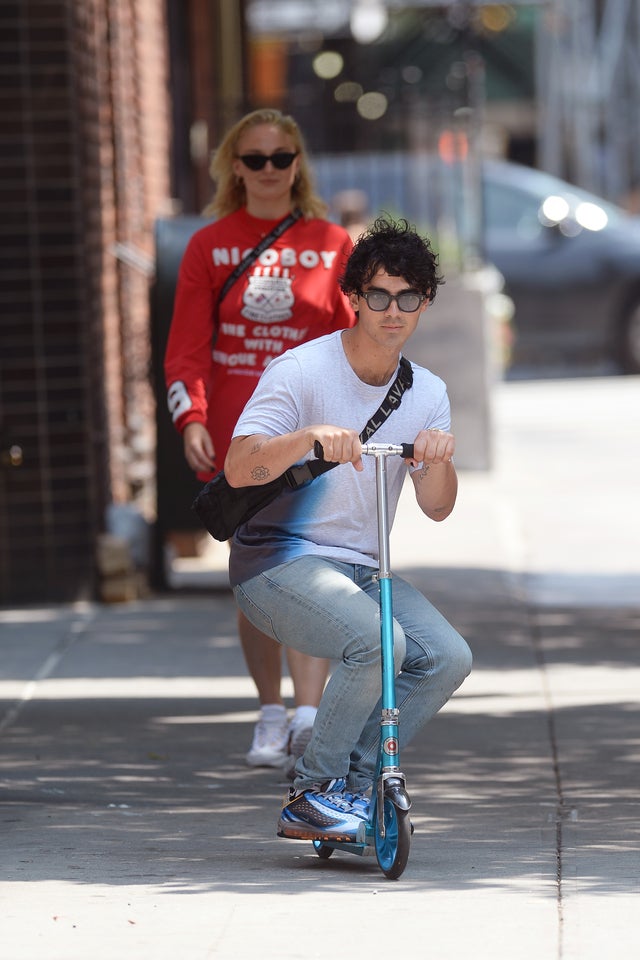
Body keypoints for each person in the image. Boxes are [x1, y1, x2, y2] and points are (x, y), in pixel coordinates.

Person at [224, 215, 473, 841]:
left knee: (446, 656)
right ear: (354, 298)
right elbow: (237, 466)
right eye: (380, 296)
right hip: (276, 565)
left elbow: (439, 508)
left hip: (361, 567)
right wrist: (305, 438)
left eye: (408, 297)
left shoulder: (427, 392)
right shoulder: (301, 371)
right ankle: (314, 790)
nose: (394, 311)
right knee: (380, 642)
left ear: (425, 303)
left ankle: (357, 786)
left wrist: (436, 462)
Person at [164, 108, 356, 770]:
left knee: (312, 567)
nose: (269, 170)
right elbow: (185, 350)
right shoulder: (208, 245)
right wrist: (189, 418)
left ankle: (308, 716)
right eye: (255, 159)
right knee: (254, 574)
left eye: (281, 157)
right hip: (235, 436)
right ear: (233, 167)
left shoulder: (333, 245)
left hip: (314, 434)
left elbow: (353, 344)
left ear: (297, 164)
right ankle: (270, 710)